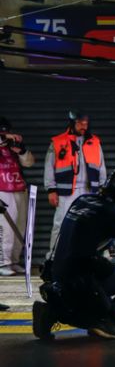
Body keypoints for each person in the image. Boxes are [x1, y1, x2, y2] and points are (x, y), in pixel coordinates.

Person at [33, 167, 115, 340]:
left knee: (102, 265)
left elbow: (100, 224)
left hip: (57, 273)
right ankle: (104, 317)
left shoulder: (83, 200)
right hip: (81, 280)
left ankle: (53, 311)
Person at [45, 109, 106, 259]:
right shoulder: (58, 142)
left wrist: (102, 187)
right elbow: (49, 166)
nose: (83, 126)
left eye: (85, 123)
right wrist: (51, 189)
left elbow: (101, 166)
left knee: (90, 225)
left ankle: (87, 257)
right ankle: (53, 258)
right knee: (60, 225)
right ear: (72, 123)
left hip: (89, 191)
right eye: (79, 123)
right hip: (66, 192)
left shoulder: (95, 142)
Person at [0, 117, 33, 276]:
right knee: (5, 228)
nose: (6, 135)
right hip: (2, 191)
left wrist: (22, 150)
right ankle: (2, 262)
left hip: (19, 189)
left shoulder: (12, 146)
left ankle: (13, 261)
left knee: (19, 227)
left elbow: (29, 163)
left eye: (7, 131)